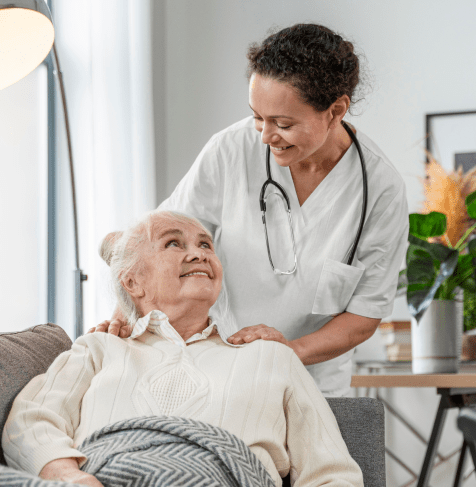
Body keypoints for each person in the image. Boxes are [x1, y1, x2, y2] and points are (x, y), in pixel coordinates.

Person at [90, 23, 409, 397]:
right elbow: (158, 244)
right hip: (211, 365)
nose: (264, 135)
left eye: (283, 123)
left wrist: (286, 352)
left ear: (336, 110)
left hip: (311, 383)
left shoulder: (380, 190)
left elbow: (362, 318)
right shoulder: (231, 149)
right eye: (258, 116)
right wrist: (123, 316)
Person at [2, 210, 363, 487]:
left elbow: (331, 471)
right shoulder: (98, 348)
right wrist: (69, 476)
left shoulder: (270, 355)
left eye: (205, 244)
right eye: (174, 243)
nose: (199, 254)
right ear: (133, 281)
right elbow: (30, 421)